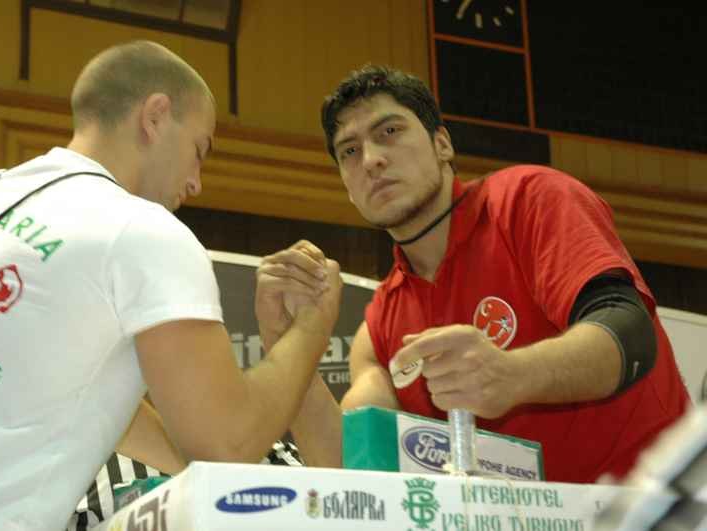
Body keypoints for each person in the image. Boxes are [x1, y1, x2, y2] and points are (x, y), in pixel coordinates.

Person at [0, 40, 342, 530]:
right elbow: (229, 443)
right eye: (199, 151)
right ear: (155, 116)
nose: (196, 182)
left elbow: (72, 395)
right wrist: (312, 326)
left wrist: (195, 475)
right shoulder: (142, 230)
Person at [280, 65, 690, 484]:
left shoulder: (530, 199)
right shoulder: (380, 326)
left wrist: (512, 374)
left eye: (389, 131)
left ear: (442, 144)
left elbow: (629, 331)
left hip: (655, 502)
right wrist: (287, 338)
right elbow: (353, 467)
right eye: (349, 151)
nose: (371, 160)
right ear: (347, 188)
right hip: (522, 515)